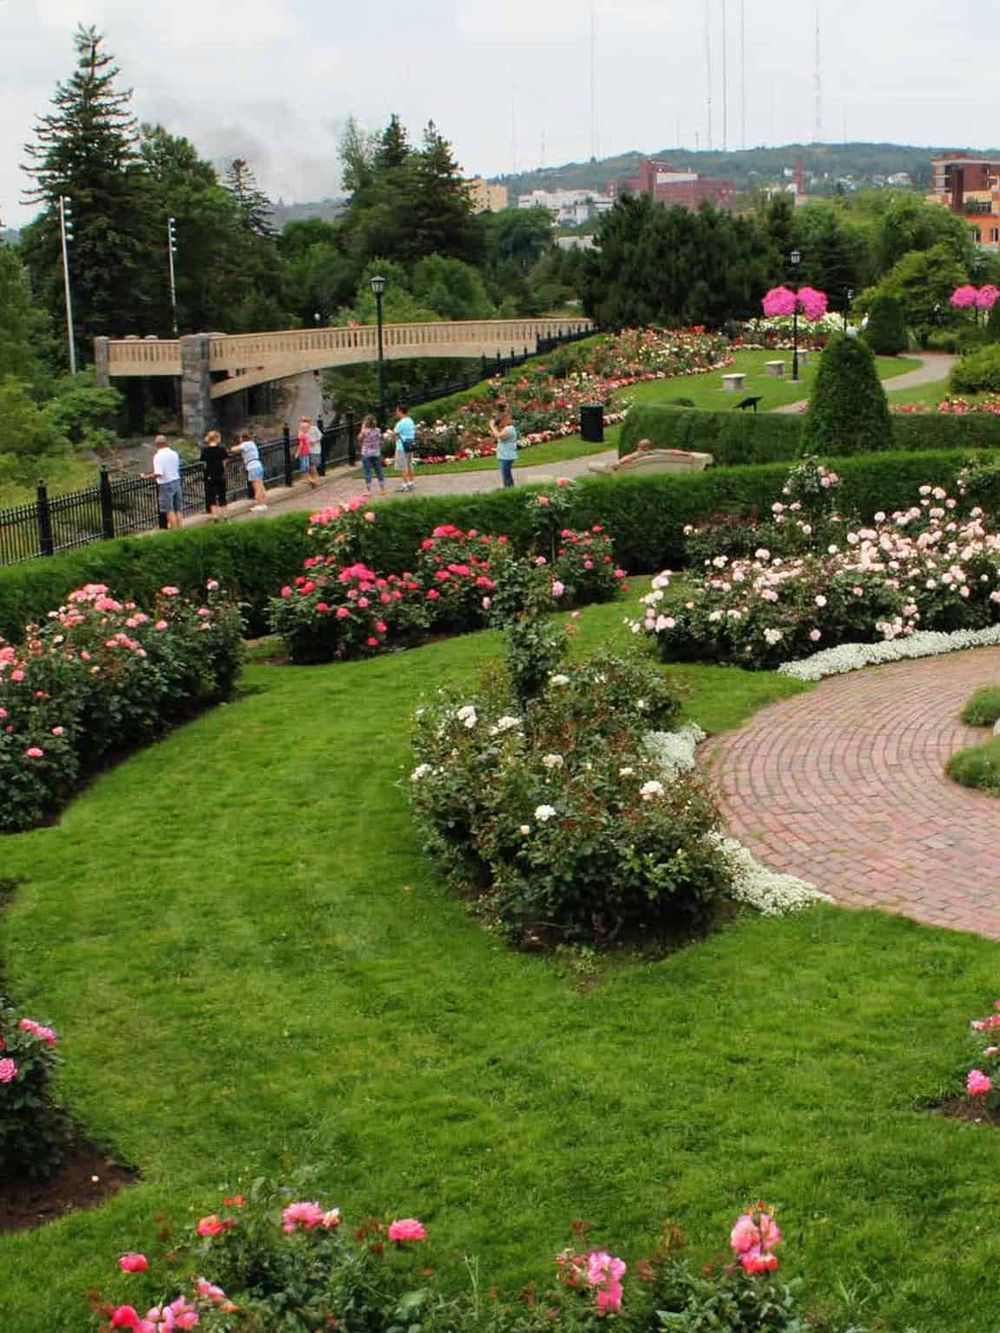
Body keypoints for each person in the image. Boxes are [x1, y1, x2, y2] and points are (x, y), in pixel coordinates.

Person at [145, 434, 184, 529]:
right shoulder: (174, 453)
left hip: (165, 484)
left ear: (156, 444)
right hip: (176, 480)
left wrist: (146, 476)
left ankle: (174, 530)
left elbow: (159, 473)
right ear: (166, 442)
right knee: (177, 508)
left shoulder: (158, 456)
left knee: (169, 509)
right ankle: (180, 528)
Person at [230, 431, 268, 511]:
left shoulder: (245, 445)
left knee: (256, 488)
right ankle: (264, 503)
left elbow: (233, 449)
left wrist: (233, 447)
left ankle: (259, 504)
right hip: (258, 465)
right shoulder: (252, 443)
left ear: (243, 438)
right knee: (261, 486)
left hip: (252, 467)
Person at [200, 429, 228, 519]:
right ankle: (225, 514)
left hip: (209, 475)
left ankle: (215, 515)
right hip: (220, 474)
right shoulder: (222, 449)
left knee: (211, 496)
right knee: (222, 494)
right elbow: (224, 462)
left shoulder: (205, 450)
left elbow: (204, 464)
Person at [489, 404, 519, 488]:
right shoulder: (506, 428)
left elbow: (499, 436)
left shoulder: (509, 429)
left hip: (507, 456)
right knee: (506, 474)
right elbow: (497, 436)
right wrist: (494, 429)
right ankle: (510, 489)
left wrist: (492, 427)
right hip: (504, 455)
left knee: (506, 475)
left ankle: (509, 489)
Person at [357, 414, 386, 495]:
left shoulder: (365, 431)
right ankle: (383, 489)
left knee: (368, 472)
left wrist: (362, 429)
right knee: (379, 471)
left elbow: (359, 439)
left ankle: (368, 490)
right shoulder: (378, 430)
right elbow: (380, 439)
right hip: (376, 453)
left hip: (366, 453)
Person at [392, 404, 417, 492]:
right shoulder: (410, 421)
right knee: (409, 465)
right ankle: (411, 482)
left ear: (400, 411)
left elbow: (394, 434)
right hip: (410, 445)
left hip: (401, 446)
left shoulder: (400, 423)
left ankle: (405, 485)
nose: (396, 412)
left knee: (403, 466)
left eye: (397, 411)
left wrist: (391, 433)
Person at [296, 416, 321, 489]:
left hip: (315, 450)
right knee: (309, 466)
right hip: (307, 451)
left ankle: (314, 480)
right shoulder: (303, 431)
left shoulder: (314, 429)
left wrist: (315, 442)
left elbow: (320, 437)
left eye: (305, 421)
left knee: (312, 466)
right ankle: (312, 480)